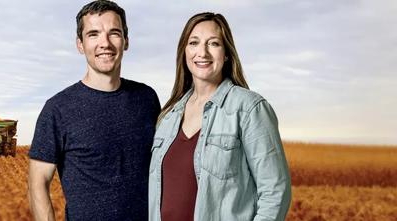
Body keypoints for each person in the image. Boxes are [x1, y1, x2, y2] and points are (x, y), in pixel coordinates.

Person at [149, 12, 291, 221]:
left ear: (226, 53)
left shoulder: (249, 108)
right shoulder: (168, 116)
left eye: (213, 43)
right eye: (194, 43)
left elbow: (276, 191)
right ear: (184, 52)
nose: (202, 52)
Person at [28, 1, 160, 220]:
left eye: (114, 33)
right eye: (93, 34)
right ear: (80, 44)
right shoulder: (57, 109)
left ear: (126, 41)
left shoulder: (147, 98)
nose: (104, 43)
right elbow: (37, 183)